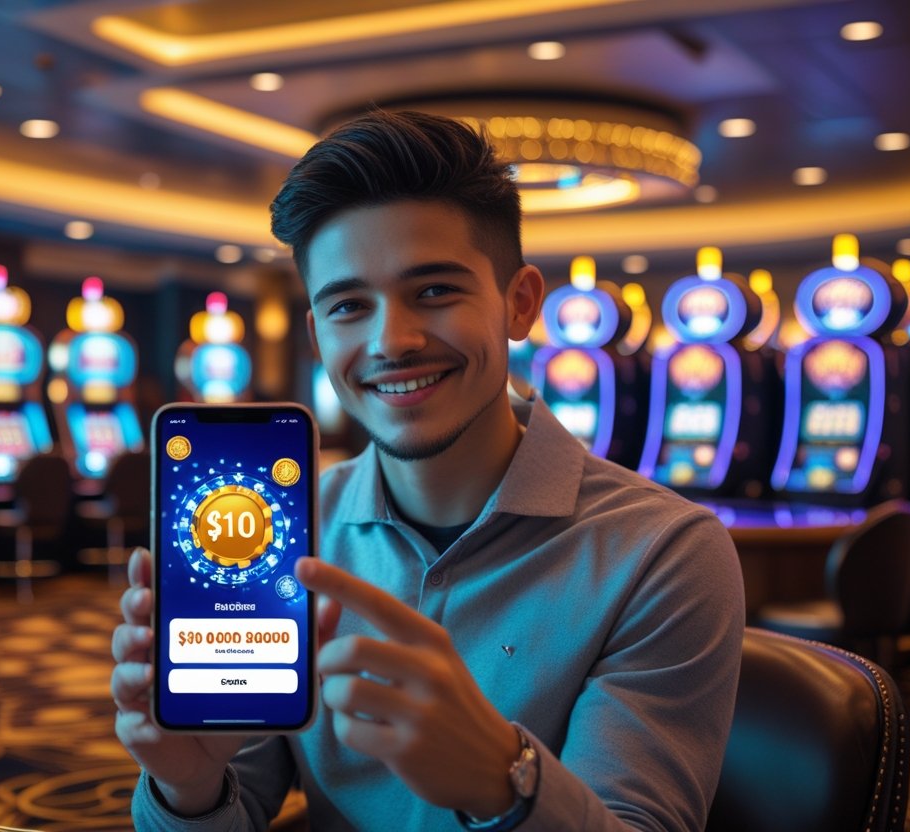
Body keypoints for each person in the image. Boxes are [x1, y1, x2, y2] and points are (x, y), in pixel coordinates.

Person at [112, 110, 745, 831]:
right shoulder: (287, 530)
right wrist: (188, 790)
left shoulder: (664, 551)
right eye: (350, 305)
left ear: (520, 303)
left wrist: (503, 778)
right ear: (319, 335)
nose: (393, 340)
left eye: (435, 291)